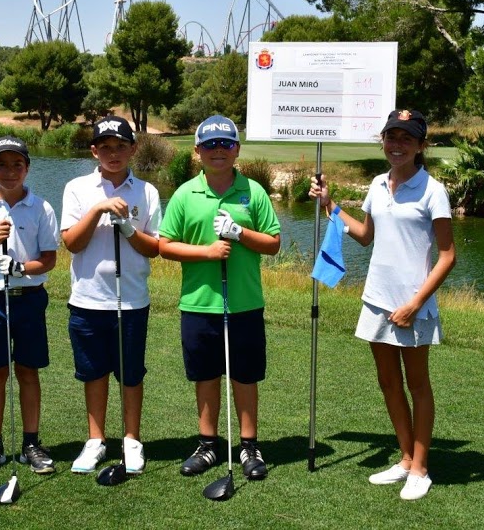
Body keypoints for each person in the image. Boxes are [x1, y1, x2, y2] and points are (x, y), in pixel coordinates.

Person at [309, 109, 456, 500]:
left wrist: (415, 303)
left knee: (418, 385)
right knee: (389, 383)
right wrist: (331, 205)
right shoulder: (377, 184)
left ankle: (421, 469)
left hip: (414, 306)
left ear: (421, 146)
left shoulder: (432, 191)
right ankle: (406, 458)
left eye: (407, 138)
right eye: (392, 137)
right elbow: (365, 236)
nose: (397, 145)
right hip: (377, 299)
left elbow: (447, 256)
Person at [158, 114, 281, 481]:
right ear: (197, 151)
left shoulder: (253, 191)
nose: (218, 151)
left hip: (243, 303)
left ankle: (248, 446)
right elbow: (165, 245)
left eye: (225, 144)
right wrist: (208, 252)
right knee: (206, 376)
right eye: (210, 145)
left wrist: (239, 232)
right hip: (198, 303)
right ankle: (209, 444)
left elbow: (273, 244)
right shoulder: (184, 194)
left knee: (244, 377)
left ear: (236, 149)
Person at [60, 115, 162, 475]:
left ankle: (132, 440)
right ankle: (96, 440)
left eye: (121, 146)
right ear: (94, 151)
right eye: (105, 147)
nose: (113, 153)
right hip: (88, 299)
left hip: (131, 300)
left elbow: (154, 248)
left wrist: (128, 229)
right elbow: (72, 242)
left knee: (131, 373)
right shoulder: (76, 188)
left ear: (133, 149)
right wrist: (99, 209)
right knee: (94, 372)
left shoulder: (146, 192)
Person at [0, 135, 60, 477]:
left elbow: (48, 259)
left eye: (17, 164)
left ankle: (31, 443)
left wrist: (21, 268)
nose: (9, 171)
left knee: (28, 371)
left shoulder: (42, 207)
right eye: (1, 165)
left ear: (27, 168)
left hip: (29, 299)